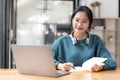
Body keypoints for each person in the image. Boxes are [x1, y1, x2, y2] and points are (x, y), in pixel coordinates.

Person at [51, 6, 117, 72]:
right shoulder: (61, 41)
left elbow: (112, 63)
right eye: (77, 20)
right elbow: (45, 60)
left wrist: (101, 67)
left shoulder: (96, 40)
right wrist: (59, 65)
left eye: (84, 21)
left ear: (89, 23)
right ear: (72, 21)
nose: (79, 24)